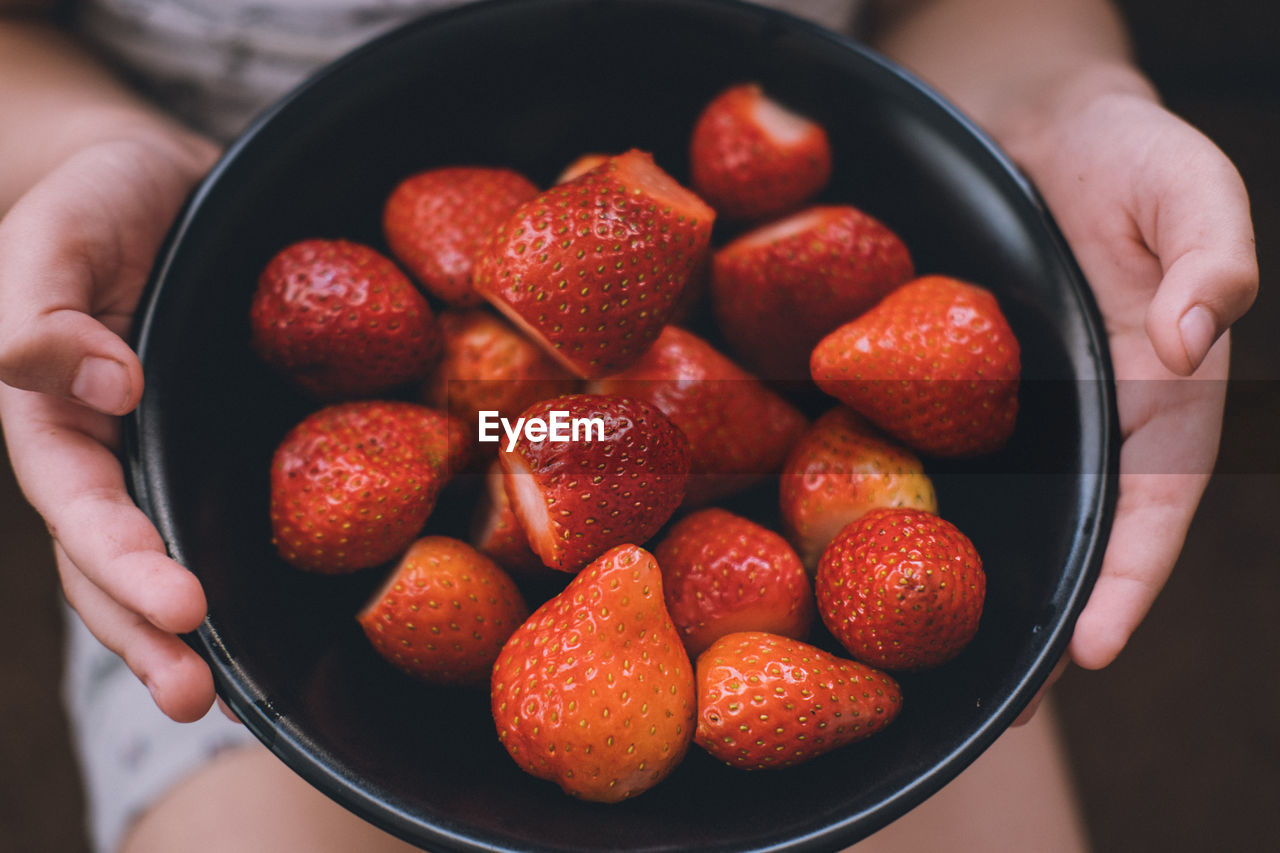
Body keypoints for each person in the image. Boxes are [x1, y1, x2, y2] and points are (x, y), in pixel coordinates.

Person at [0, 0, 1257, 851]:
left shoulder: (624, 396)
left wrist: (1046, 97)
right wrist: (75, 142)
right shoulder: (515, 409)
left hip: (846, 112)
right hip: (205, 218)